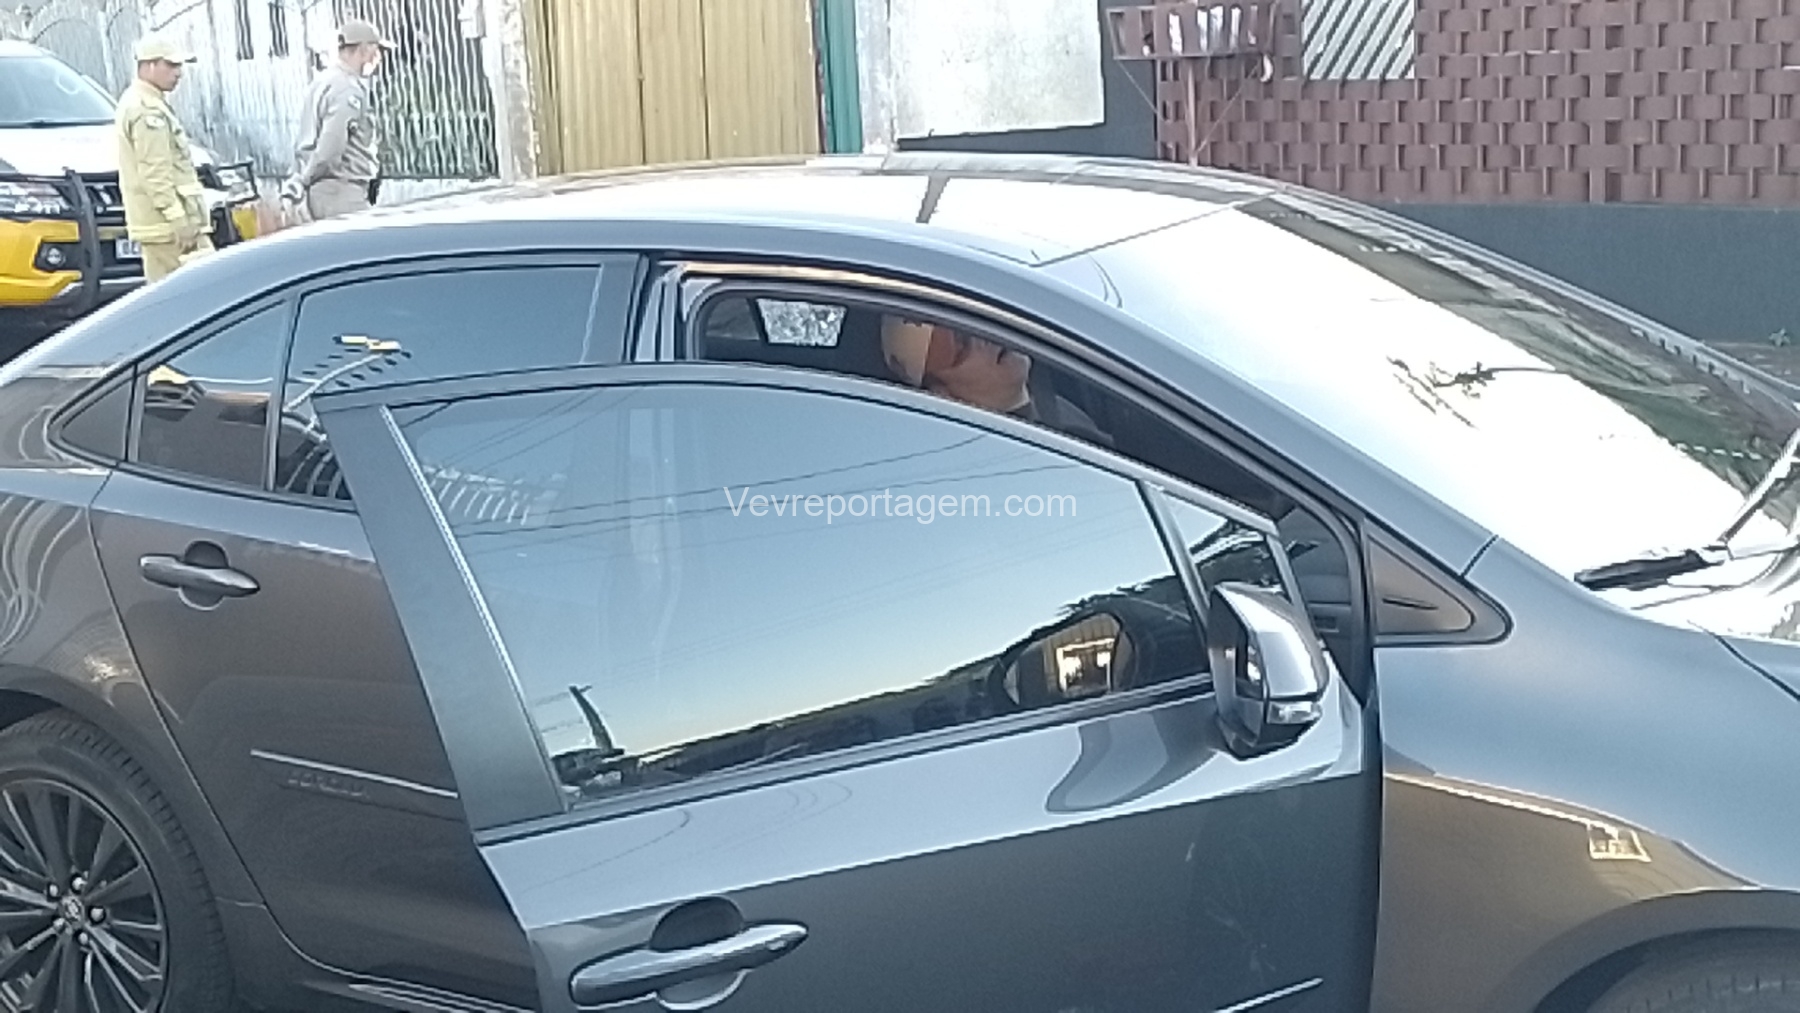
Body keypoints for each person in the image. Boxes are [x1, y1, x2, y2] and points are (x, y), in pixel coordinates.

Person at [879, 316, 1112, 445]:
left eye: (973, 324)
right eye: (963, 346)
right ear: (944, 395)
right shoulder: (1005, 460)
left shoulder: (1060, 394)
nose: (983, 337)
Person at [116, 35, 210, 283]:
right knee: (207, 289)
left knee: (169, 295)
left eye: (179, 66)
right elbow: (155, 173)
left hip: (163, 225)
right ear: (149, 66)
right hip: (169, 228)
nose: (178, 73)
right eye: (171, 65)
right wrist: (179, 220)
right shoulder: (146, 109)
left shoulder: (146, 102)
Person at [287, 19, 394, 221]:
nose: (379, 58)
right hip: (341, 193)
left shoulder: (322, 81)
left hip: (323, 191)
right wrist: (306, 179)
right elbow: (331, 147)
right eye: (376, 51)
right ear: (363, 50)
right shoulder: (348, 90)